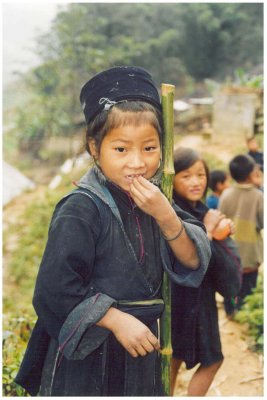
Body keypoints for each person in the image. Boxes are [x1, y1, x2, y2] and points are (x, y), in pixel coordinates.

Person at [15, 66, 211, 396]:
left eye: (149, 148)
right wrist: (116, 320)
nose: (137, 163)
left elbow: (192, 261)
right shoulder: (81, 208)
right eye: (121, 149)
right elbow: (54, 290)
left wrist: (167, 217)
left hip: (142, 355)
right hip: (91, 360)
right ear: (95, 148)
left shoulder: (155, 199)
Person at [170, 147, 240, 397]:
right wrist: (209, 232)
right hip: (187, 299)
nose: (196, 181)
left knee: (174, 356)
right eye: (186, 176)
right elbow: (188, 257)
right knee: (211, 360)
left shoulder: (200, 209)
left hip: (198, 298)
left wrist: (222, 233)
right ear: (171, 178)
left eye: (201, 175)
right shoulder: (174, 212)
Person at [219, 154, 263, 317]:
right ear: (252, 174)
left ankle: (230, 310)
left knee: (231, 285)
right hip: (250, 252)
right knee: (248, 286)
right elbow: (262, 222)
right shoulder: (258, 196)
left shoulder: (226, 194)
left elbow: (221, 219)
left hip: (230, 251)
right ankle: (245, 312)